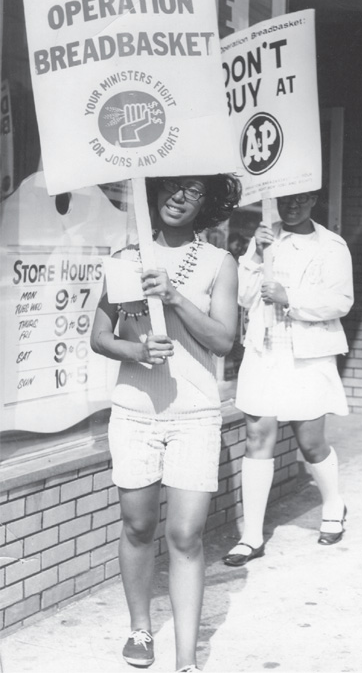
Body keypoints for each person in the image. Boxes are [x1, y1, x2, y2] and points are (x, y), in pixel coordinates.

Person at [91, 174, 241, 673]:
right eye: (172, 187)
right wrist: (135, 349)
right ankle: (140, 626)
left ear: (207, 203)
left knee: (185, 535)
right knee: (137, 525)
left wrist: (176, 298)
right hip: (134, 412)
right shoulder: (126, 259)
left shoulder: (221, 263)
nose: (179, 197)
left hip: (194, 416)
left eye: (193, 191)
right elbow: (99, 335)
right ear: (153, 192)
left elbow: (223, 341)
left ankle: (186, 659)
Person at [222, 191, 353, 567]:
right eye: (286, 200)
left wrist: (289, 296)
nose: (292, 206)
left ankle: (333, 501)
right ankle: (251, 535)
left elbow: (341, 301)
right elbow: (246, 298)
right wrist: (253, 255)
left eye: (301, 199)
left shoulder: (331, 245)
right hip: (265, 351)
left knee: (310, 443)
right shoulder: (264, 238)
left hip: (307, 355)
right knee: (257, 435)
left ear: (314, 199)